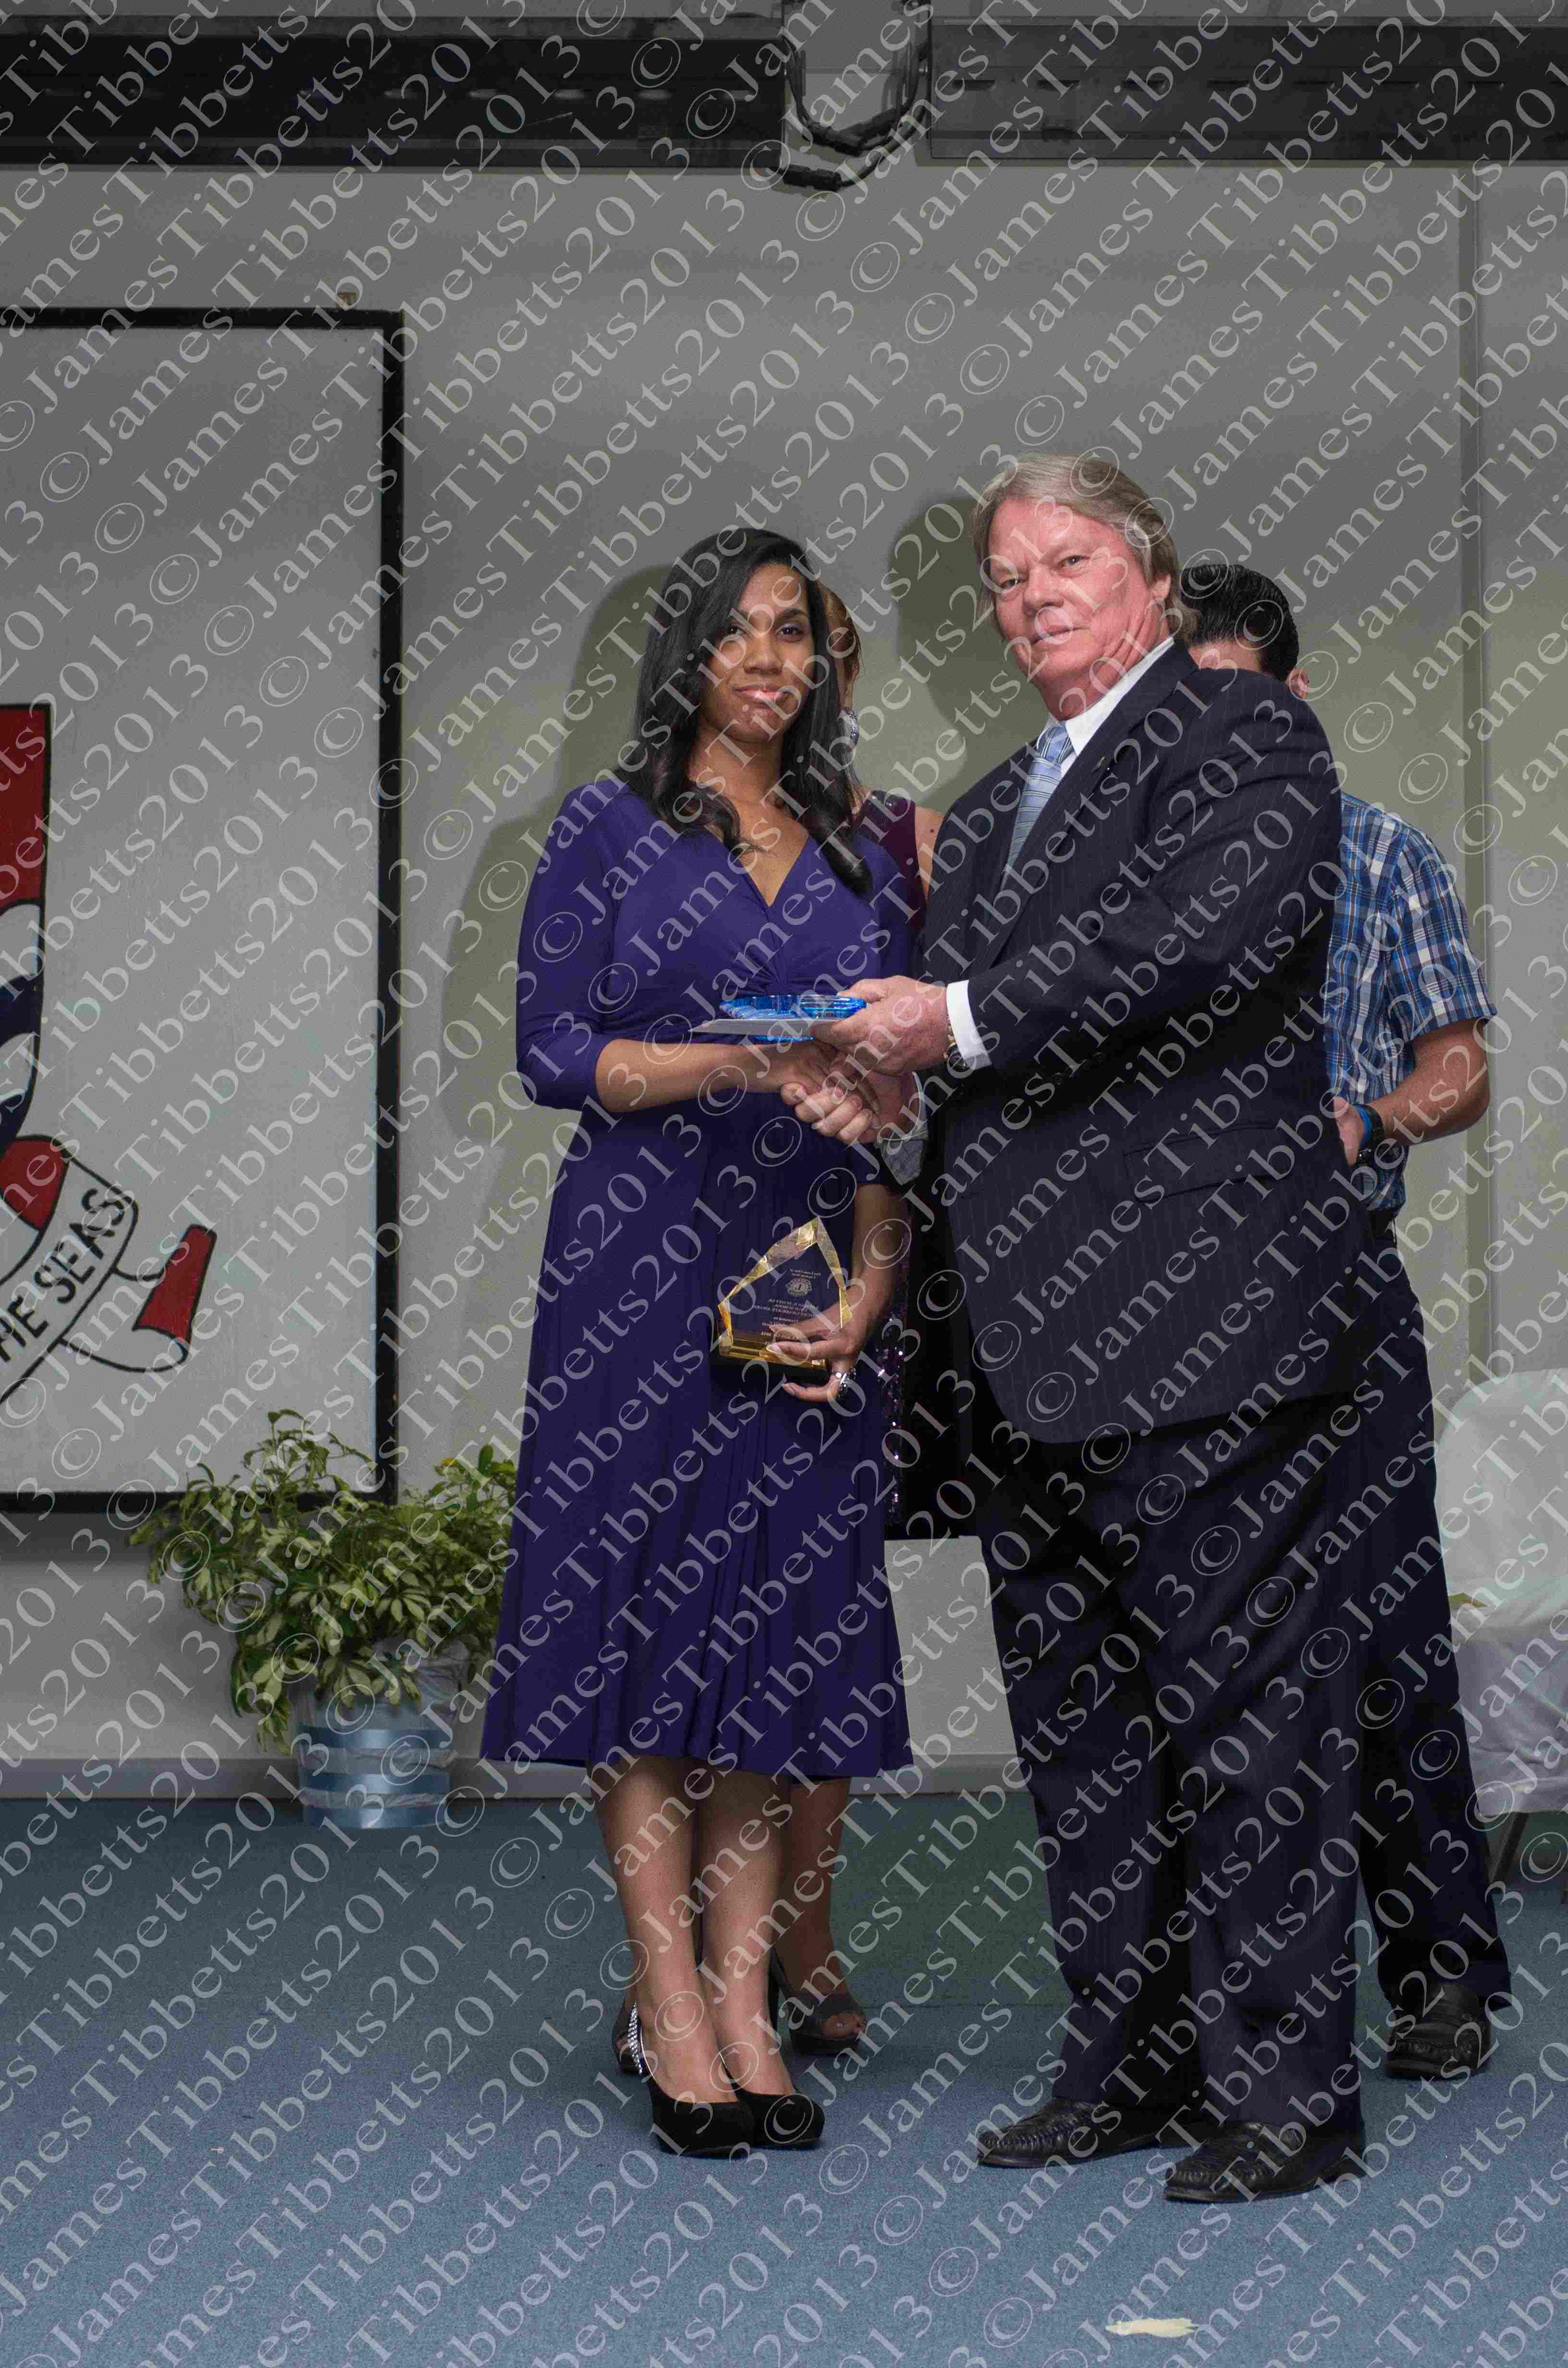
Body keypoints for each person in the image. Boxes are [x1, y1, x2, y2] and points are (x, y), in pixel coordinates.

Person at [792, 454, 1385, 2202]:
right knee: (1086, 1735)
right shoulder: (986, 813)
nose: (1031, 595)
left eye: (1067, 560)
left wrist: (948, 1022)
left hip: (1207, 1328)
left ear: (1151, 577)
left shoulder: (1247, 738)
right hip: (1022, 1347)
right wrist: (881, 1089)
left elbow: (1202, 948)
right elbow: (975, 1058)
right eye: (1004, 576)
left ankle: (1286, 2098)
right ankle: (1128, 2064)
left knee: (1249, 1724)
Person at [480, 526, 915, 2155]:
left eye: (793, 631)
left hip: (804, 1263)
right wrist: (738, 1061)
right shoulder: (608, 826)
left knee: (764, 1639)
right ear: (689, 655)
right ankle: (670, 2001)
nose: (770, 659)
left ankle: (747, 1999)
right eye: (738, 632)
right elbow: (552, 1052)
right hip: (637, 1263)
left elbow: (900, 1109)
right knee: (649, 1627)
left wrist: (874, 1280)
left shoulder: (863, 848)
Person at [1182, 559, 1510, 2076]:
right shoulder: (1129, 879)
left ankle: (1441, 1973)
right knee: (1196, 1657)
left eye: (1243, 706)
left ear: (1297, 697)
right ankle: (1211, 1998)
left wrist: (1370, 1116)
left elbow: (1463, 1068)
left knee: (1385, 1635)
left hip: (1336, 1290)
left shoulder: (1383, 854)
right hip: (1163, 1317)